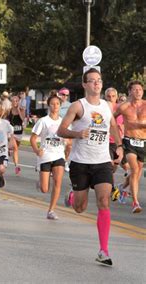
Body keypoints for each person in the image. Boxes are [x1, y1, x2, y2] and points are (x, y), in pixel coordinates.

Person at [57, 68, 123, 266]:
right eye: (92, 81)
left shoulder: (105, 105)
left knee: (104, 201)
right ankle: (72, 196)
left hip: (102, 162)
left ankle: (103, 250)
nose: (96, 84)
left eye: (99, 80)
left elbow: (112, 125)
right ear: (85, 85)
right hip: (81, 162)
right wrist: (78, 134)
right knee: (80, 207)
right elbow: (61, 130)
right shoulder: (78, 107)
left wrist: (119, 146)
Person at [30, 95, 65, 219]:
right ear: (48, 105)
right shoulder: (43, 121)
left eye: (57, 104)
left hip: (59, 154)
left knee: (57, 182)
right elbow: (33, 138)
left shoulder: (63, 122)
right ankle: (40, 182)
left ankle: (51, 210)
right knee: (45, 189)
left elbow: (69, 138)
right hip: (45, 155)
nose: (55, 106)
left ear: (60, 106)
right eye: (52, 104)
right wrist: (36, 150)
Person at [114, 80, 145, 213]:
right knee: (134, 169)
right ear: (130, 91)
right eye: (135, 89)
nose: (138, 91)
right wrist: (117, 131)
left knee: (137, 172)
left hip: (143, 142)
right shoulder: (124, 107)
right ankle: (135, 203)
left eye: (140, 89)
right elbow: (111, 120)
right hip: (129, 141)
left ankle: (121, 187)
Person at [5, 93, 25, 175]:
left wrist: (19, 110)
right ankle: (17, 166)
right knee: (15, 149)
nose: (15, 102)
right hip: (11, 133)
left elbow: (22, 119)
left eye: (17, 101)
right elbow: (5, 119)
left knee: (15, 150)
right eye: (14, 101)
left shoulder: (22, 109)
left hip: (19, 132)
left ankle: (9, 149)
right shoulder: (9, 110)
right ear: (11, 102)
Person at [58, 87, 73, 172]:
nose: (65, 96)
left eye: (66, 95)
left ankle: (66, 162)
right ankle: (55, 166)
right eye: (63, 94)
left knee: (69, 146)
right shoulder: (55, 103)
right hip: (57, 128)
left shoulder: (70, 105)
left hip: (68, 127)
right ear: (59, 94)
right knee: (59, 147)